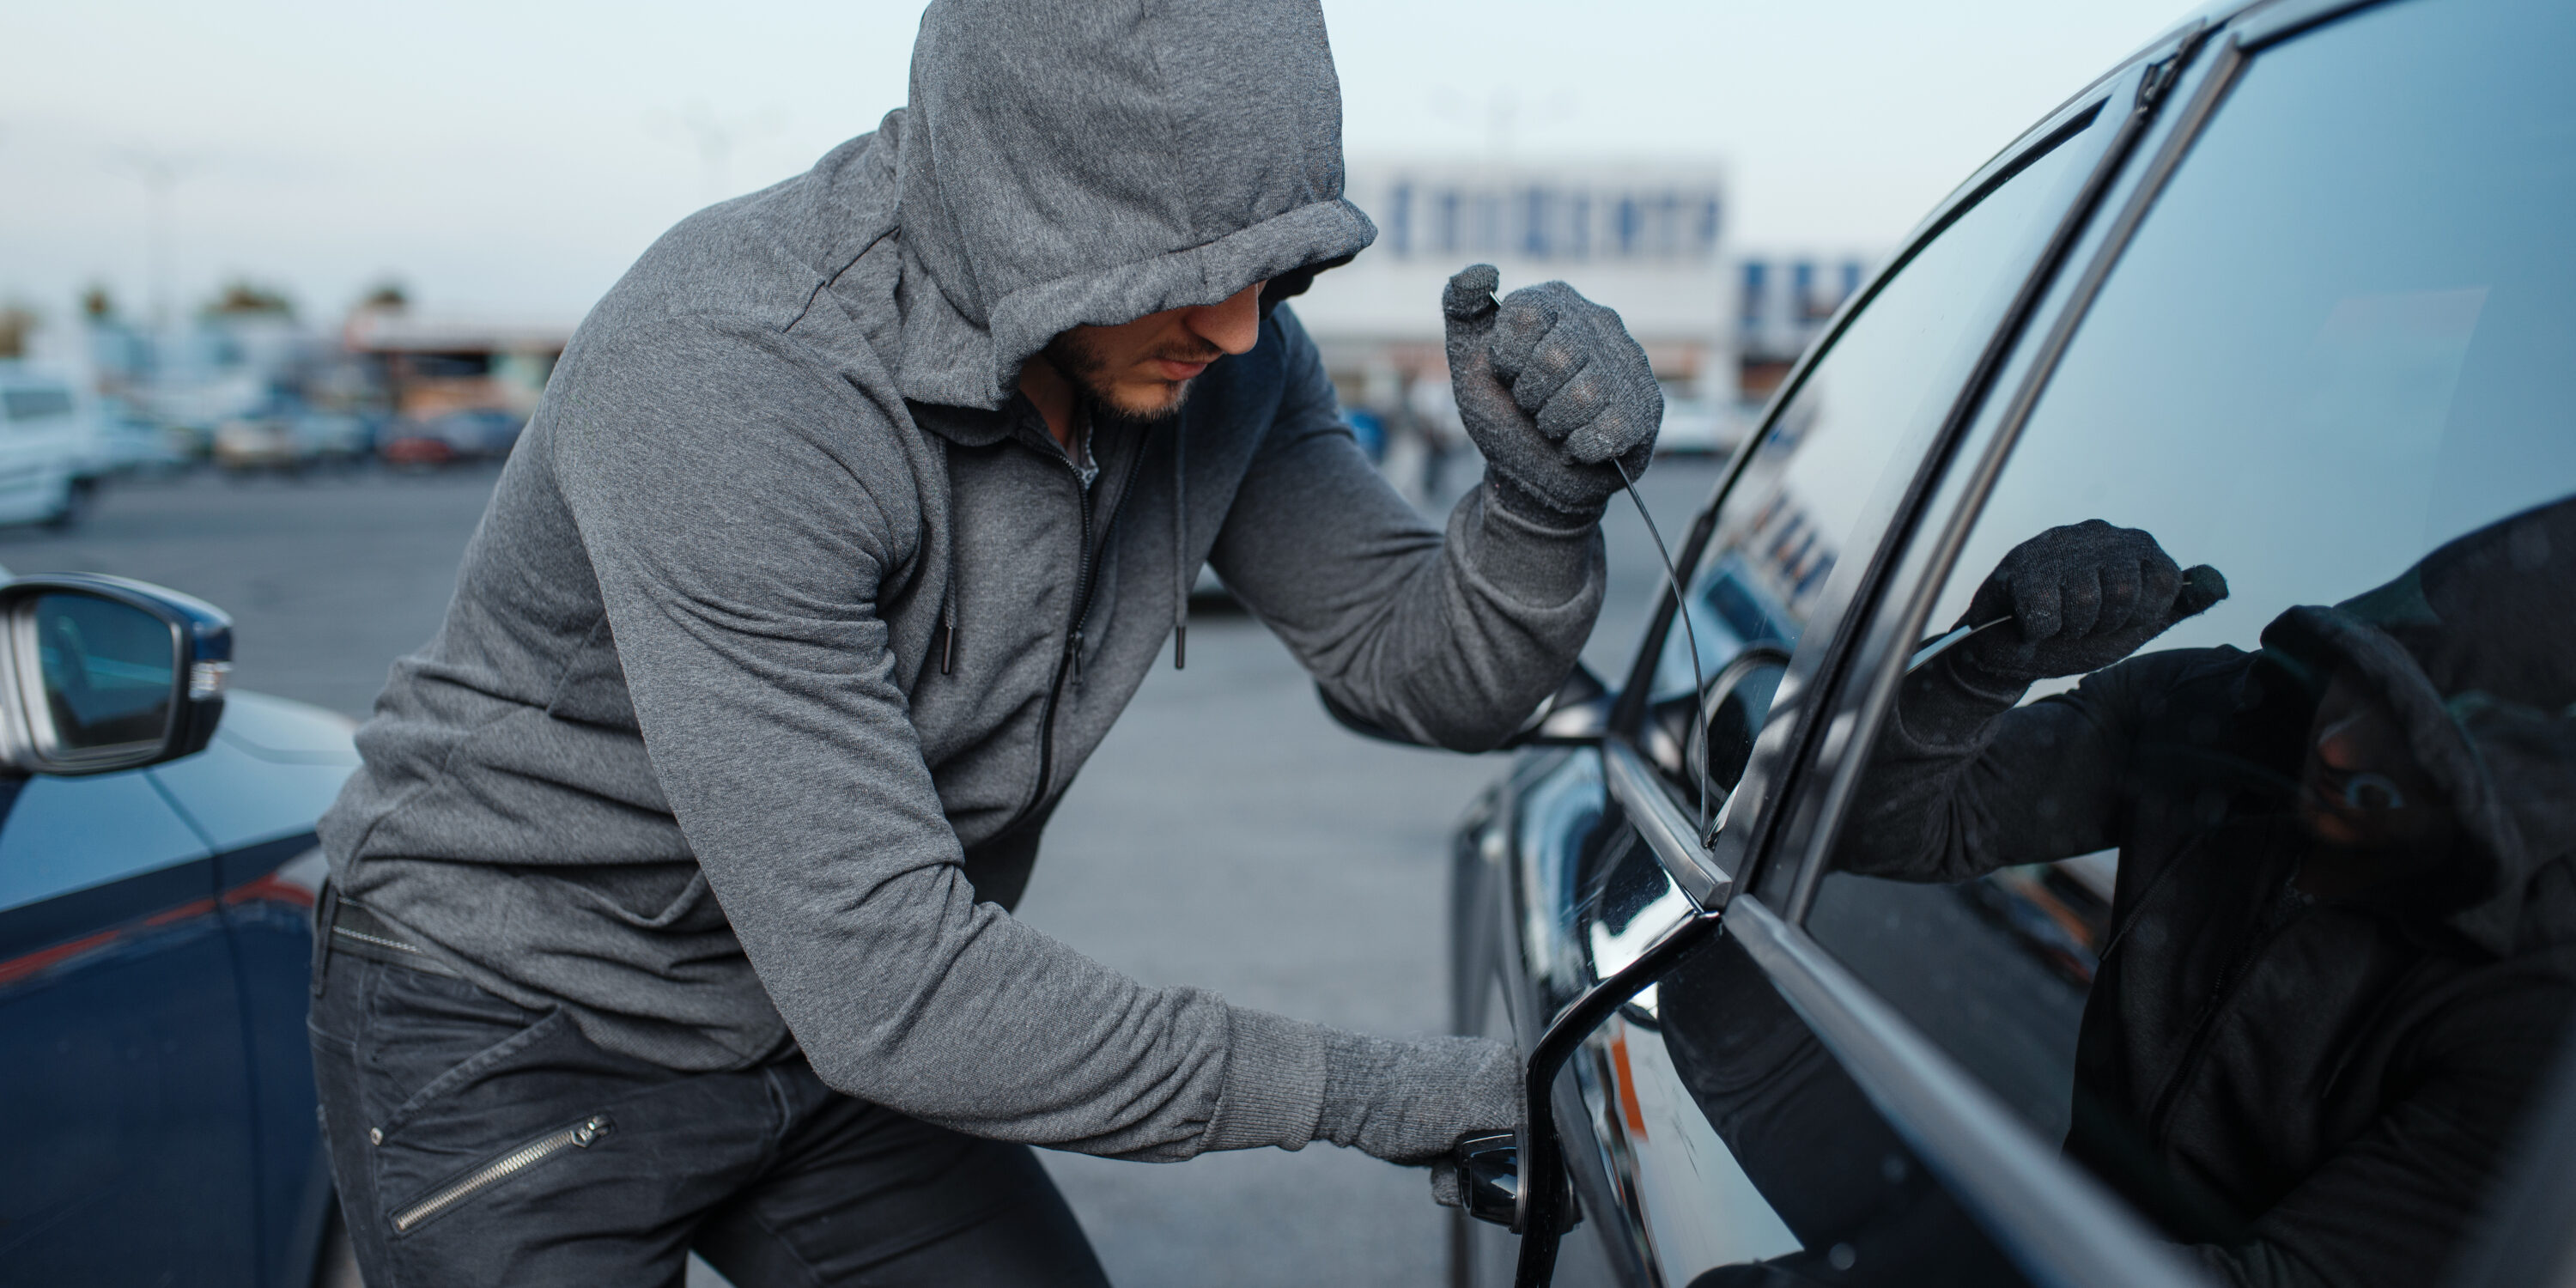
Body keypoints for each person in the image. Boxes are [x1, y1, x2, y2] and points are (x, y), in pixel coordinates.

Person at [304, 2, 1665, 1282]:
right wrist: (1365, 1092)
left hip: (839, 1030)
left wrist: (1540, 512)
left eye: (1268, 262)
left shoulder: (1220, 357)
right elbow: (891, 986)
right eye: (1187, 267)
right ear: (1032, 199)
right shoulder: (737, 366)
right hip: (519, 1017)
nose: (1241, 324)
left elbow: (1420, 669)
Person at [1828, 500, 2576, 1287]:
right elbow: (1882, 828)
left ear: (2520, 795)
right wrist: (1984, 662)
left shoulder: (2538, 1015)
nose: (2337, 744)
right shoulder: (2223, 716)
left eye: (2419, 747)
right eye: (2367, 682)